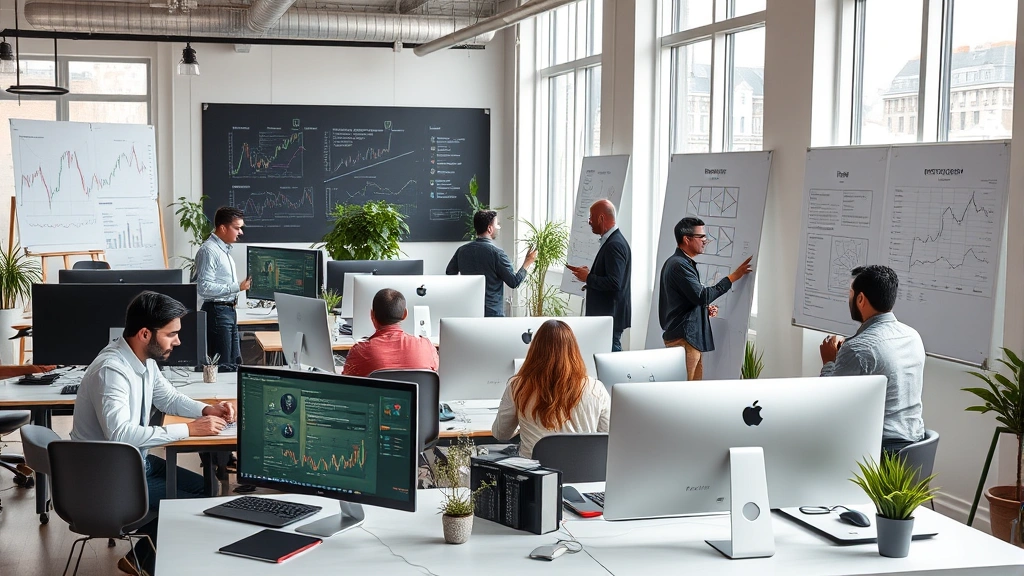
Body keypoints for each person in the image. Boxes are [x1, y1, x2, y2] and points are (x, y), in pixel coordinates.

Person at [70, 291, 234, 576]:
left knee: (208, 488)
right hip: (105, 480)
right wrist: (188, 430)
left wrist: (206, 410)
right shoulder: (112, 370)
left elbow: (168, 398)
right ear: (145, 333)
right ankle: (147, 559)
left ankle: (143, 557)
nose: (178, 341)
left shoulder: (142, 359)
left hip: (131, 465)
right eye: (171, 334)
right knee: (198, 504)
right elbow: (121, 434)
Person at [819, 265, 925, 455]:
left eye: (850, 293)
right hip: (915, 445)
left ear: (860, 299)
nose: (849, 298)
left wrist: (829, 361)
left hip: (879, 452)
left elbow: (829, 402)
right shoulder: (913, 336)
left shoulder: (856, 349)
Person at [492, 319, 610, 458]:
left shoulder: (518, 386)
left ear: (535, 349)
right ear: (573, 350)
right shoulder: (596, 388)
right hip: (585, 476)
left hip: (535, 475)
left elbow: (501, 434)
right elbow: (607, 435)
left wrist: (523, 425)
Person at [659, 216, 753, 380]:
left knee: (692, 390)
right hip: (684, 339)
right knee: (684, 393)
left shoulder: (679, 262)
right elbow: (703, 296)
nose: (706, 240)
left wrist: (702, 309)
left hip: (686, 339)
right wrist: (733, 277)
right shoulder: (679, 265)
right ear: (687, 239)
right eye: (701, 236)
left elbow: (688, 299)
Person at [565, 200, 632, 351]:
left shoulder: (615, 245)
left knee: (611, 362)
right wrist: (589, 275)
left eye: (591, 217)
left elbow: (615, 282)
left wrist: (588, 278)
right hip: (607, 317)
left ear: (601, 218)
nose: (589, 222)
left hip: (609, 318)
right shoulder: (613, 241)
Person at [446, 210, 537, 317]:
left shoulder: (461, 250)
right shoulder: (497, 253)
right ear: (489, 228)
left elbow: (450, 274)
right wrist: (528, 262)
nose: (498, 227)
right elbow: (514, 282)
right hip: (492, 313)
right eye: (497, 224)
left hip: (469, 310)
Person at [194, 206, 252, 371]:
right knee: (223, 366)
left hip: (227, 312)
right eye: (237, 228)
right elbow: (203, 288)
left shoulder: (223, 250)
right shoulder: (209, 251)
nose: (240, 232)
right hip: (217, 313)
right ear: (223, 228)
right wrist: (237, 287)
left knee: (233, 364)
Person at [342, 288, 439, 377]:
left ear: (372, 315)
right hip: (417, 396)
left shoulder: (359, 352)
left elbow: (345, 384)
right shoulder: (427, 346)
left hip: (377, 396)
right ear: (405, 314)